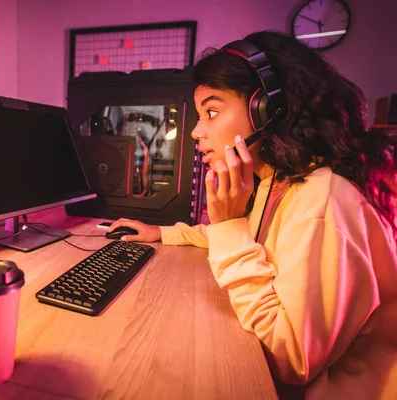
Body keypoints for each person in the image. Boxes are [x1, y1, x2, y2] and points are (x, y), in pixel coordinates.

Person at [108, 30, 397, 399]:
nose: (197, 132)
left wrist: (229, 224)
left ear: (267, 108)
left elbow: (291, 361)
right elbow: (257, 240)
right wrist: (164, 233)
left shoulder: (321, 200)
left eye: (211, 112)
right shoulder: (279, 180)